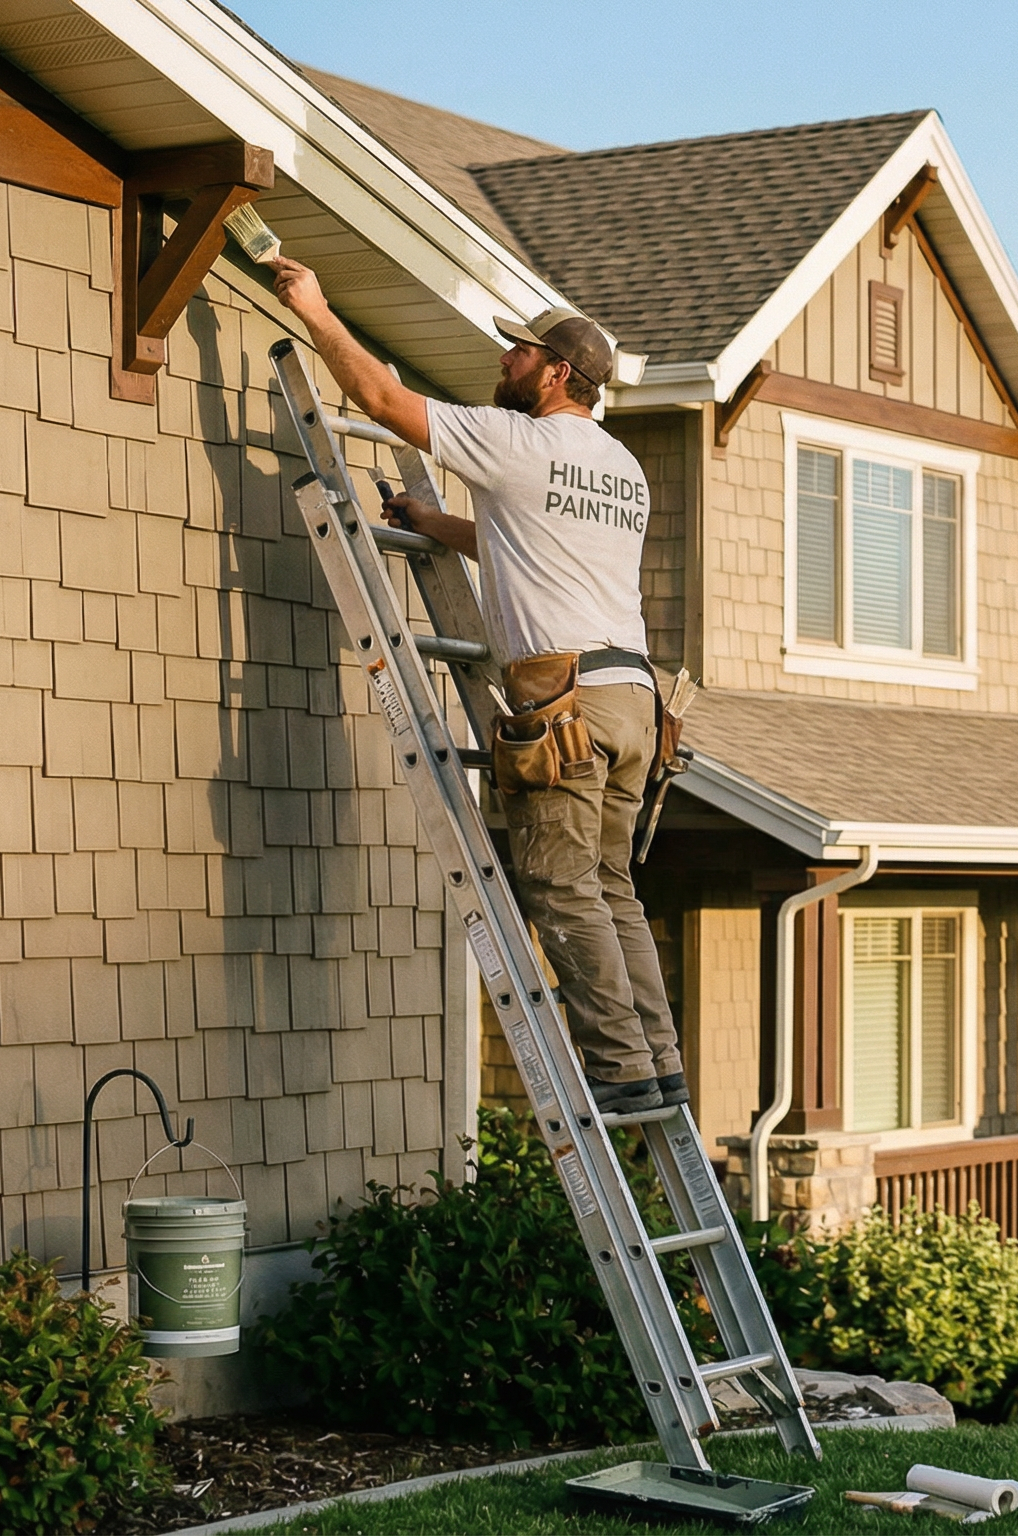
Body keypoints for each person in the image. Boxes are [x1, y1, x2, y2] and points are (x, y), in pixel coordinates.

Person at [270, 255, 683, 1114]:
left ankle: (620, 1071)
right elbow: (532, 546)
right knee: (611, 886)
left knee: (561, 886)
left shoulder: (522, 442)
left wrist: (316, 305)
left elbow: (384, 402)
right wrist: (433, 523)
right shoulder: (623, 470)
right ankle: (660, 1057)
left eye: (519, 354)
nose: (505, 363)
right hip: (635, 699)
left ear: (557, 372)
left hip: (566, 703)